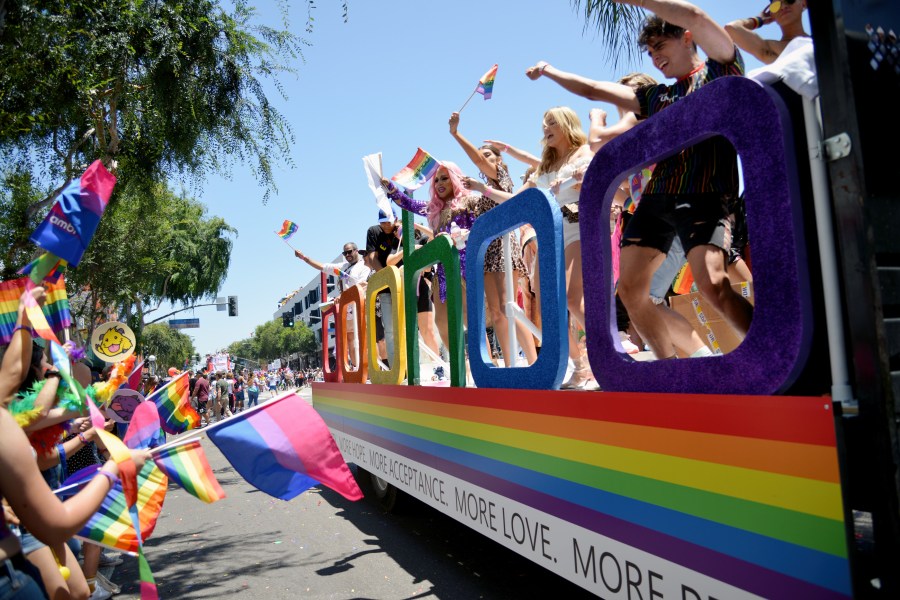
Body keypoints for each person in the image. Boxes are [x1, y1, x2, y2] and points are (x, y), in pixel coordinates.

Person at [526, 0, 753, 361]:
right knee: (631, 292)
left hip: (706, 195)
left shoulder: (721, 70)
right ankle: (668, 368)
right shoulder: (657, 96)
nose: (654, 58)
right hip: (658, 199)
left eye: (660, 46)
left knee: (713, 286)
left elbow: (695, 15)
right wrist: (550, 70)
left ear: (686, 38)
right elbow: (593, 90)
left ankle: (768, 351)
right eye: (649, 52)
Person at [381, 162, 512, 355]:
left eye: (445, 178)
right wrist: (390, 188)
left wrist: (463, 233)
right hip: (442, 273)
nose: (440, 183)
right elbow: (407, 203)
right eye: (436, 180)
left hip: (466, 269)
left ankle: (485, 363)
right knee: (441, 322)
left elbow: (484, 226)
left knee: (469, 319)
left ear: (455, 179)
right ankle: (462, 367)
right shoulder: (434, 209)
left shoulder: (470, 201)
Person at [449, 111, 538, 366]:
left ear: (499, 160)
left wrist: (456, 134)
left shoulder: (502, 176)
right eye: (483, 156)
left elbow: (478, 161)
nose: (483, 159)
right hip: (487, 249)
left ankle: (534, 362)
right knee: (498, 311)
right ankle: (510, 366)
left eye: (488, 155)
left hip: (504, 244)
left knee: (510, 306)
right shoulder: (480, 189)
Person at [295, 242, 372, 369]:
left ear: (356, 251)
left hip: (360, 306)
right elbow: (324, 267)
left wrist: (342, 296)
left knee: (365, 340)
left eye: (350, 251)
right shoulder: (344, 266)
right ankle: (356, 368)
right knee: (350, 340)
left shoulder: (364, 265)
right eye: (345, 253)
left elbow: (362, 285)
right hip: (348, 309)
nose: (347, 255)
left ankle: (368, 369)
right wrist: (304, 258)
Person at [365, 209, 403, 368]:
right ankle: (396, 368)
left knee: (408, 326)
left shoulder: (401, 230)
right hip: (385, 287)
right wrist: (385, 276)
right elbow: (372, 257)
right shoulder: (373, 231)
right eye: (382, 222)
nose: (386, 225)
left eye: (389, 221)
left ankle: (413, 365)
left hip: (405, 283)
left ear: (395, 219)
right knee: (390, 329)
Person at [725, 0, 809, 65]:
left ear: (803, 3)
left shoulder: (820, 41)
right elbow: (731, 28)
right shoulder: (772, 49)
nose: (783, 7)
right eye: (776, 5)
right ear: (772, 14)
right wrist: (758, 20)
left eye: (789, 0)